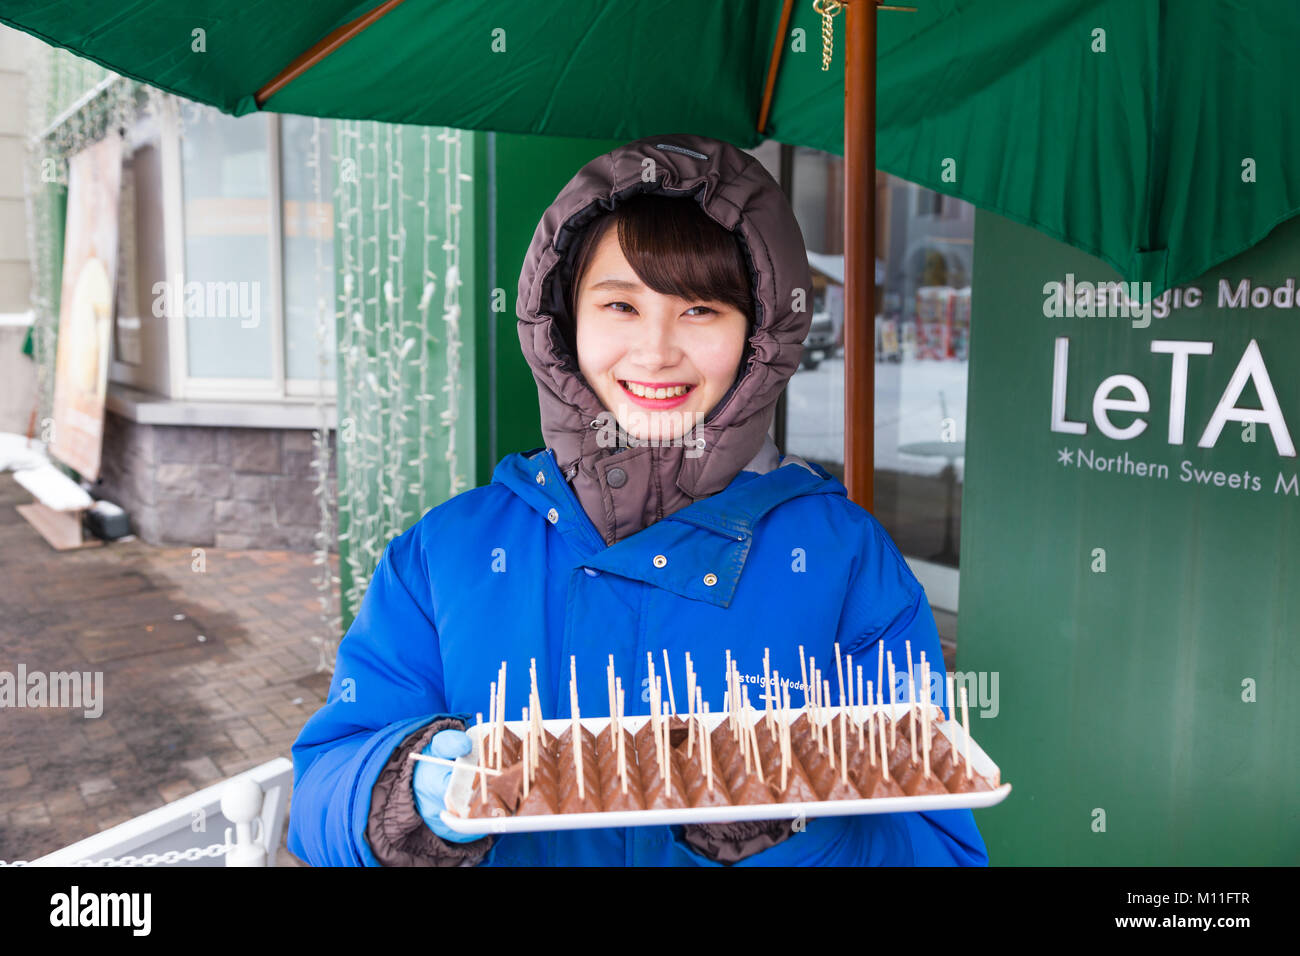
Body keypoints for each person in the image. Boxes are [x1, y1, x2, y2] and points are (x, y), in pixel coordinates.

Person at [288, 133, 989, 867]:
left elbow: (936, 848)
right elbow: (319, 795)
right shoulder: (446, 553)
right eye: (620, 304)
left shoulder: (846, 562)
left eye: (700, 310)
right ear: (563, 319)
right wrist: (403, 789)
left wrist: (784, 834)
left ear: (761, 336)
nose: (655, 351)